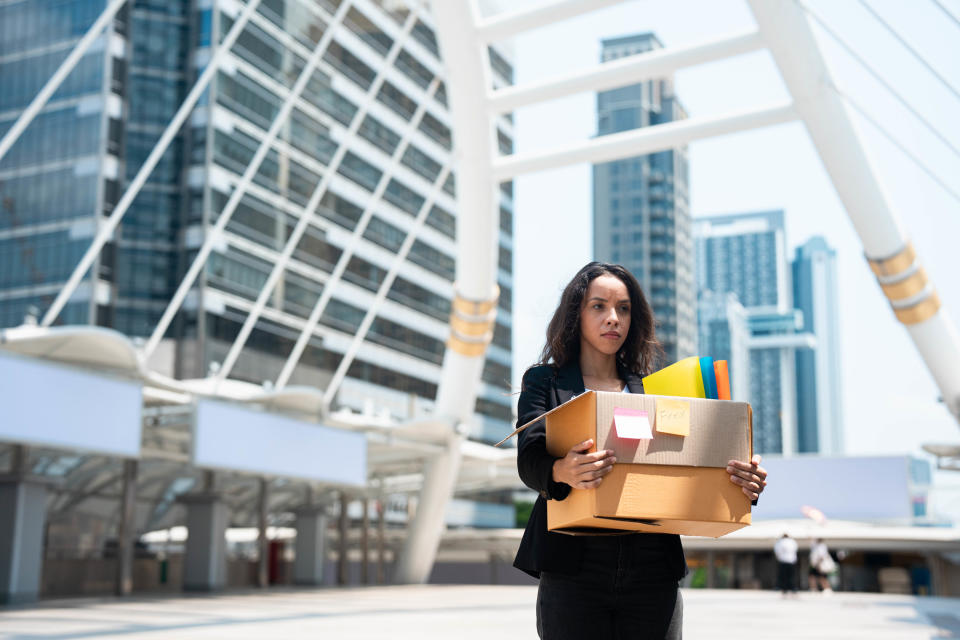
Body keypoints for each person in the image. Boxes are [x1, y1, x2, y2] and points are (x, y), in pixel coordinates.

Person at [514, 262, 768, 640]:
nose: (613, 318)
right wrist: (562, 471)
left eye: (624, 308)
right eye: (598, 306)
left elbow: (696, 461)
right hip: (573, 569)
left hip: (652, 567)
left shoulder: (657, 390)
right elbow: (529, 456)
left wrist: (742, 479)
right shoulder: (544, 382)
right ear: (576, 314)